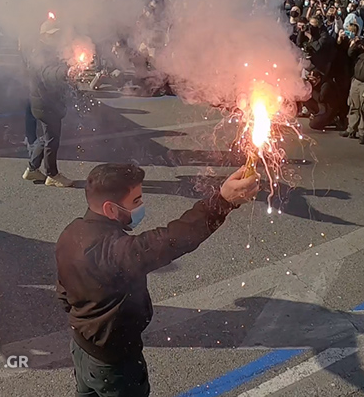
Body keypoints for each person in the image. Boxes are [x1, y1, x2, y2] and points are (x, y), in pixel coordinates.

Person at [56, 163, 259, 397]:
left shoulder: (70, 232)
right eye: (136, 201)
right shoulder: (117, 251)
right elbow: (173, 239)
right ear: (111, 209)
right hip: (114, 363)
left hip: (80, 349)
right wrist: (223, 202)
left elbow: (63, 292)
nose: (141, 207)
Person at [23, 17, 75, 188]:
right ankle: (52, 174)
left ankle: (32, 169)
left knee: (46, 138)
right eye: (52, 35)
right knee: (52, 139)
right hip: (46, 103)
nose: (56, 37)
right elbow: (48, 73)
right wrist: (65, 72)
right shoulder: (41, 53)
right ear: (43, 36)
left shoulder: (44, 50)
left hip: (42, 101)